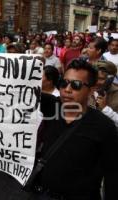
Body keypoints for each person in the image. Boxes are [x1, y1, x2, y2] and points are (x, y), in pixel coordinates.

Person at [31, 59, 118, 199]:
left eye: (76, 85)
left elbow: (112, 174)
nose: (67, 89)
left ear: (91, 90)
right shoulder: (51, 107)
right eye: (63, 83)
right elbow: (20, 90)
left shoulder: (105, 127)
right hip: (43, 193)